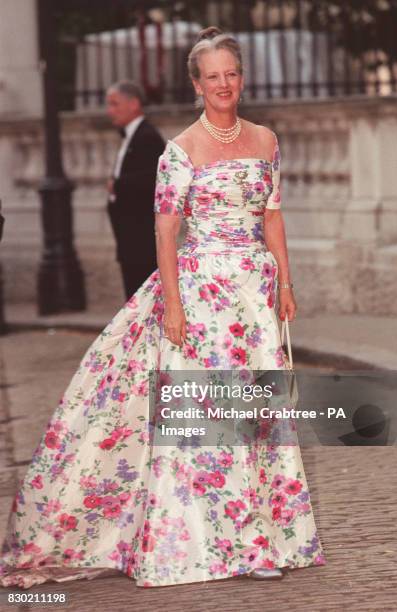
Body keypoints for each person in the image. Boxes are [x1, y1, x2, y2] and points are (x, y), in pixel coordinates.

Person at [0, 26, 326, 589]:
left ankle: (265, 533)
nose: (223, 84)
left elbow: (272, 214)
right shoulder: (178, 151)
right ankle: (221, 542)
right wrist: (172, 305)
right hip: (201, 297)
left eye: (232, 74)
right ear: (196, 84)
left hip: (254, 294)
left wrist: (286, 285)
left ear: (241, 80)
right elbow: (165, 230)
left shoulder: (267, 139)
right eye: (212, 76)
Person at [106, 80, 165, 299]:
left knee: (142, 300)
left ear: (134, 104)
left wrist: (117, 185)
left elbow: (154, 178)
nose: (110, 111)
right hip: (130, 240)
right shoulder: (133, 135)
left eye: (115, 104)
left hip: (141, 241)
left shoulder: (146, 136)